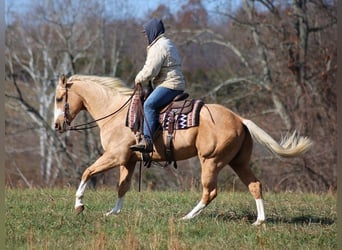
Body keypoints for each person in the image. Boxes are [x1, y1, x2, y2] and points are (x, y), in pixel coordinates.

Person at [130, 18, 185, 153]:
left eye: (146, 33)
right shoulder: (168, 43)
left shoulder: (158, 46)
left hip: (169, 84)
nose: (145, 36)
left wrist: (138, 78)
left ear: (152, 31)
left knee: (149, 105)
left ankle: (147, 141)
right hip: (175, 83)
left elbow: (151, 70)